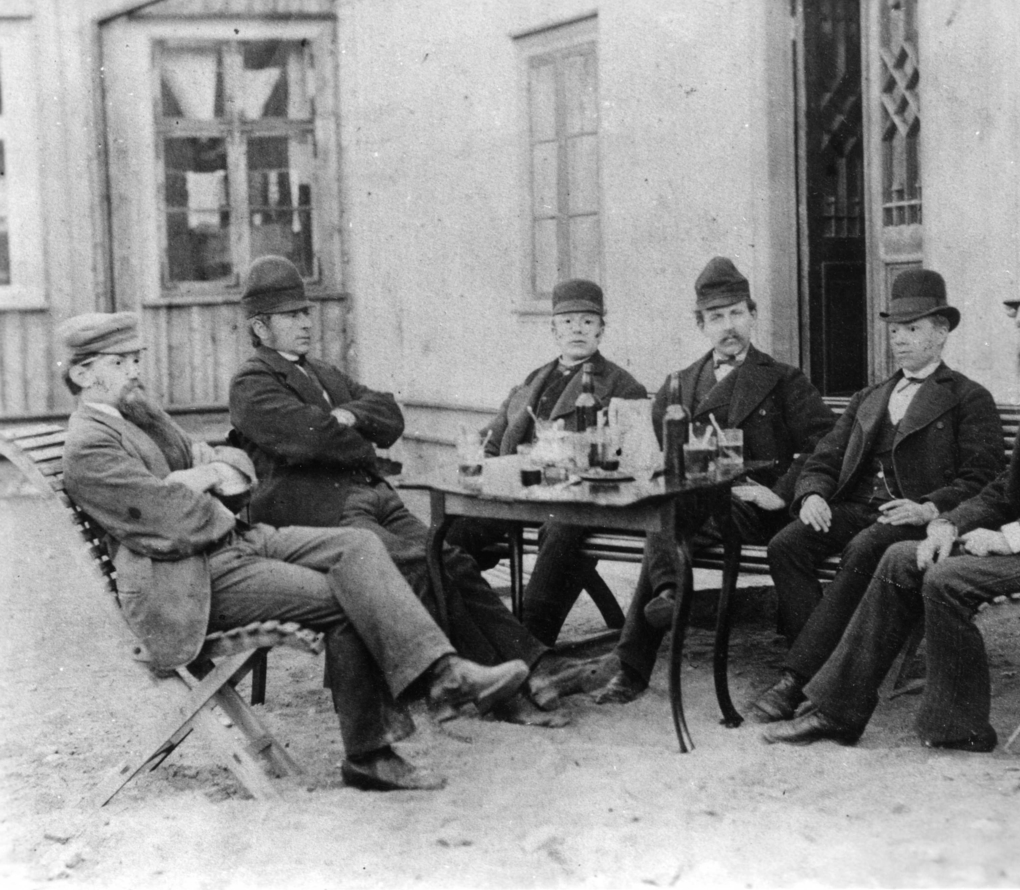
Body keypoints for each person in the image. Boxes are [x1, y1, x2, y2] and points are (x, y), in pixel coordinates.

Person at [60, 312, 529, 792]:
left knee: (358, 546)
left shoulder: (142, 416)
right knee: (345, 596)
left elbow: (237, 465)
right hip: (186, 582)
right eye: (120, 362)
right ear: (82, 373)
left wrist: (202, 477)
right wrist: (207, 482)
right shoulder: (89, 447)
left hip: (231, 543)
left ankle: (443, 674)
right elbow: (173, 519)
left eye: (136, 359)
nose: (135, 371)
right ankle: (370, 754)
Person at [763, 257, 1020, 752]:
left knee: (948, 578)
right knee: (900, 557)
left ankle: (959, 728)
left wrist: (1010, 537)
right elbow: (1005, 490)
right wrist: (949, 524)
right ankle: (837, 712)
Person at [227, 256, 590, 728]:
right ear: (260, 327)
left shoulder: (323, 371)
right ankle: (506, 696)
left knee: (450, 557)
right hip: (316, 513)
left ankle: (536, 667)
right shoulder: (252, 382)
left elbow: (390, 415)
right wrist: (354, 433)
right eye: (291, 315)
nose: (305, 322)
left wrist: (348, 417)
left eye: (305, 312)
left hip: (373, 496)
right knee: (418, 563)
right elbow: (312, 438)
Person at [749, 270, 1004, 722]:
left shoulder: (968, 397)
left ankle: (796, 679)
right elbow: (825, 457)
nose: (900, 339)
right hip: (858, 507)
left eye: (913, 328)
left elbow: (982, 478)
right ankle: (823, 669)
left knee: (865, 547)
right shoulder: (870, 396)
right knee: (786, 544)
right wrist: (812, 495)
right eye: (894, 330)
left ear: (941, 332)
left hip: (915, 517)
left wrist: (929, 507)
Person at [594, 256, 837, 703]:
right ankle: (664, 598)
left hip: (755, 507)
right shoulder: (680, 384)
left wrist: (781, 492)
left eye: (737, 313)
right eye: (717, 317)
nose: (729, 326)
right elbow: (662, 454)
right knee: (669, 515)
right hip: (695, 508)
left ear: (753, 315)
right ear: (701, 324)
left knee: (668, 522)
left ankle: (637, 657)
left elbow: (825, 444)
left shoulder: (784, 379)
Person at [444, 277, 647, 645]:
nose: (577, 329)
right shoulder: (532, 381)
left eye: (587, 321)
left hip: (576, 504)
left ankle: (529, 643)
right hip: (517, 498)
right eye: (567, 322)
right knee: (453, 532)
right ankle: (470, 631)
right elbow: (492, 441)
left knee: (561, 528)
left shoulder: (622, 386)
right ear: (554, 330)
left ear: (601, 330)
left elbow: (629, 459)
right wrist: (483, 465)